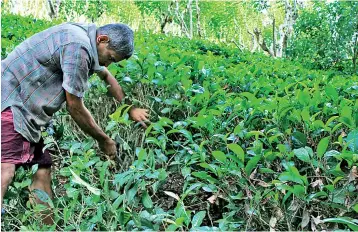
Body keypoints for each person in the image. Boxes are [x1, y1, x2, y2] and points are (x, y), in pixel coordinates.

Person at [1, 22, 149, 224]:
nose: (108, 64)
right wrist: (103, 140)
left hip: (30, 114)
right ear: (102, 40)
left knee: (42, 169)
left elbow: (106, 76)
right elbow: (75, 107)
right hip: (10, 101)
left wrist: (130, 108)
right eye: (111, 58)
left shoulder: (88, 40)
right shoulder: (78, 46)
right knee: (5, 171)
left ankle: (47, 228)